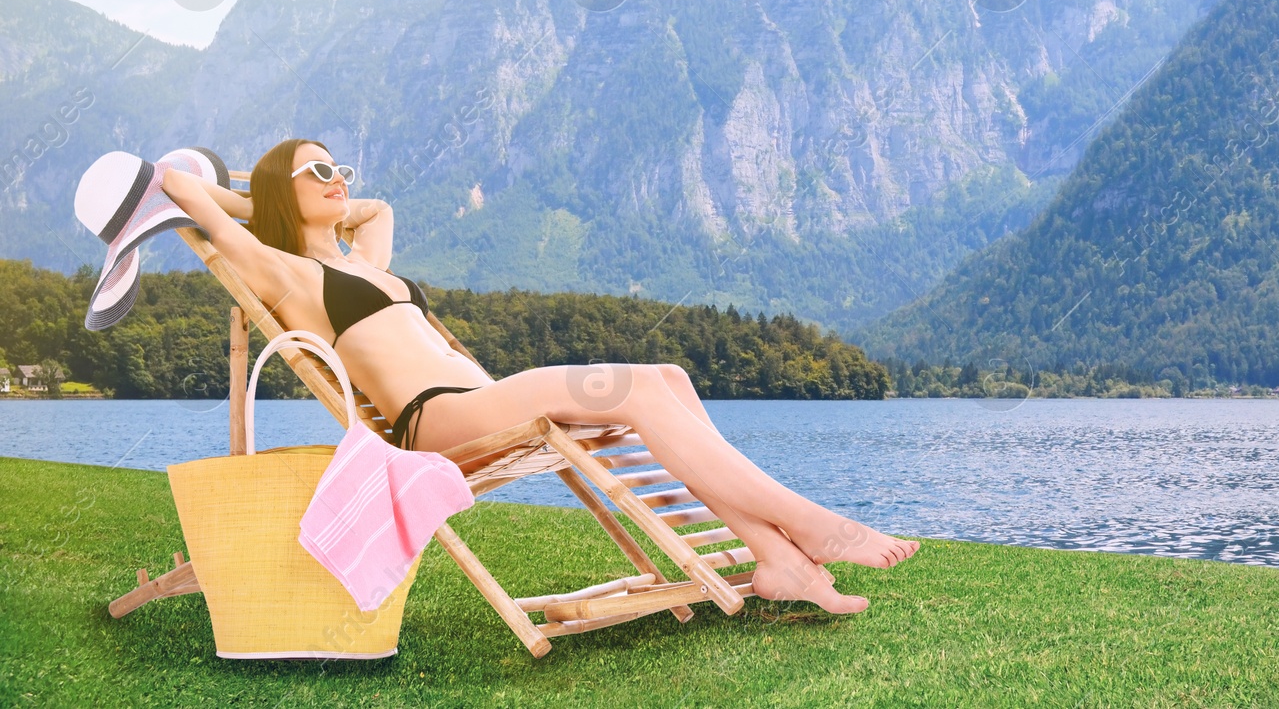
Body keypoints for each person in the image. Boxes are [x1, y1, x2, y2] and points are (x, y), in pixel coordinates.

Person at [162, 137, 917, 613]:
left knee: (668, 376)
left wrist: (317, 189)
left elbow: (378, 208)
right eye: (320, 170)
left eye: (341, 167)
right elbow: (181, 188)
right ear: (278, 192)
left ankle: (781, 559)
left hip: (480, 400)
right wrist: (252, 199)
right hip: (436, 422)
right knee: (629, 387)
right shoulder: (284, 272)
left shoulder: (363, 263)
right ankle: (817, 526)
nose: (340, 180)